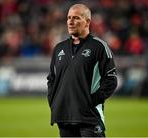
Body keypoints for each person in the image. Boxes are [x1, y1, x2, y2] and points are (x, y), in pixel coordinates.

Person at [47, 4, 117, 137]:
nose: (70, 22)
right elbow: (51, 79)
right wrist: (55, 102)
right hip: (64, 117)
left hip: (89, 118)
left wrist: (91, 101)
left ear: (87, 22)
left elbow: (111, 79)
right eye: (68, 18)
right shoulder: (59, 49)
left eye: (76, 18)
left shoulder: (99, 47)